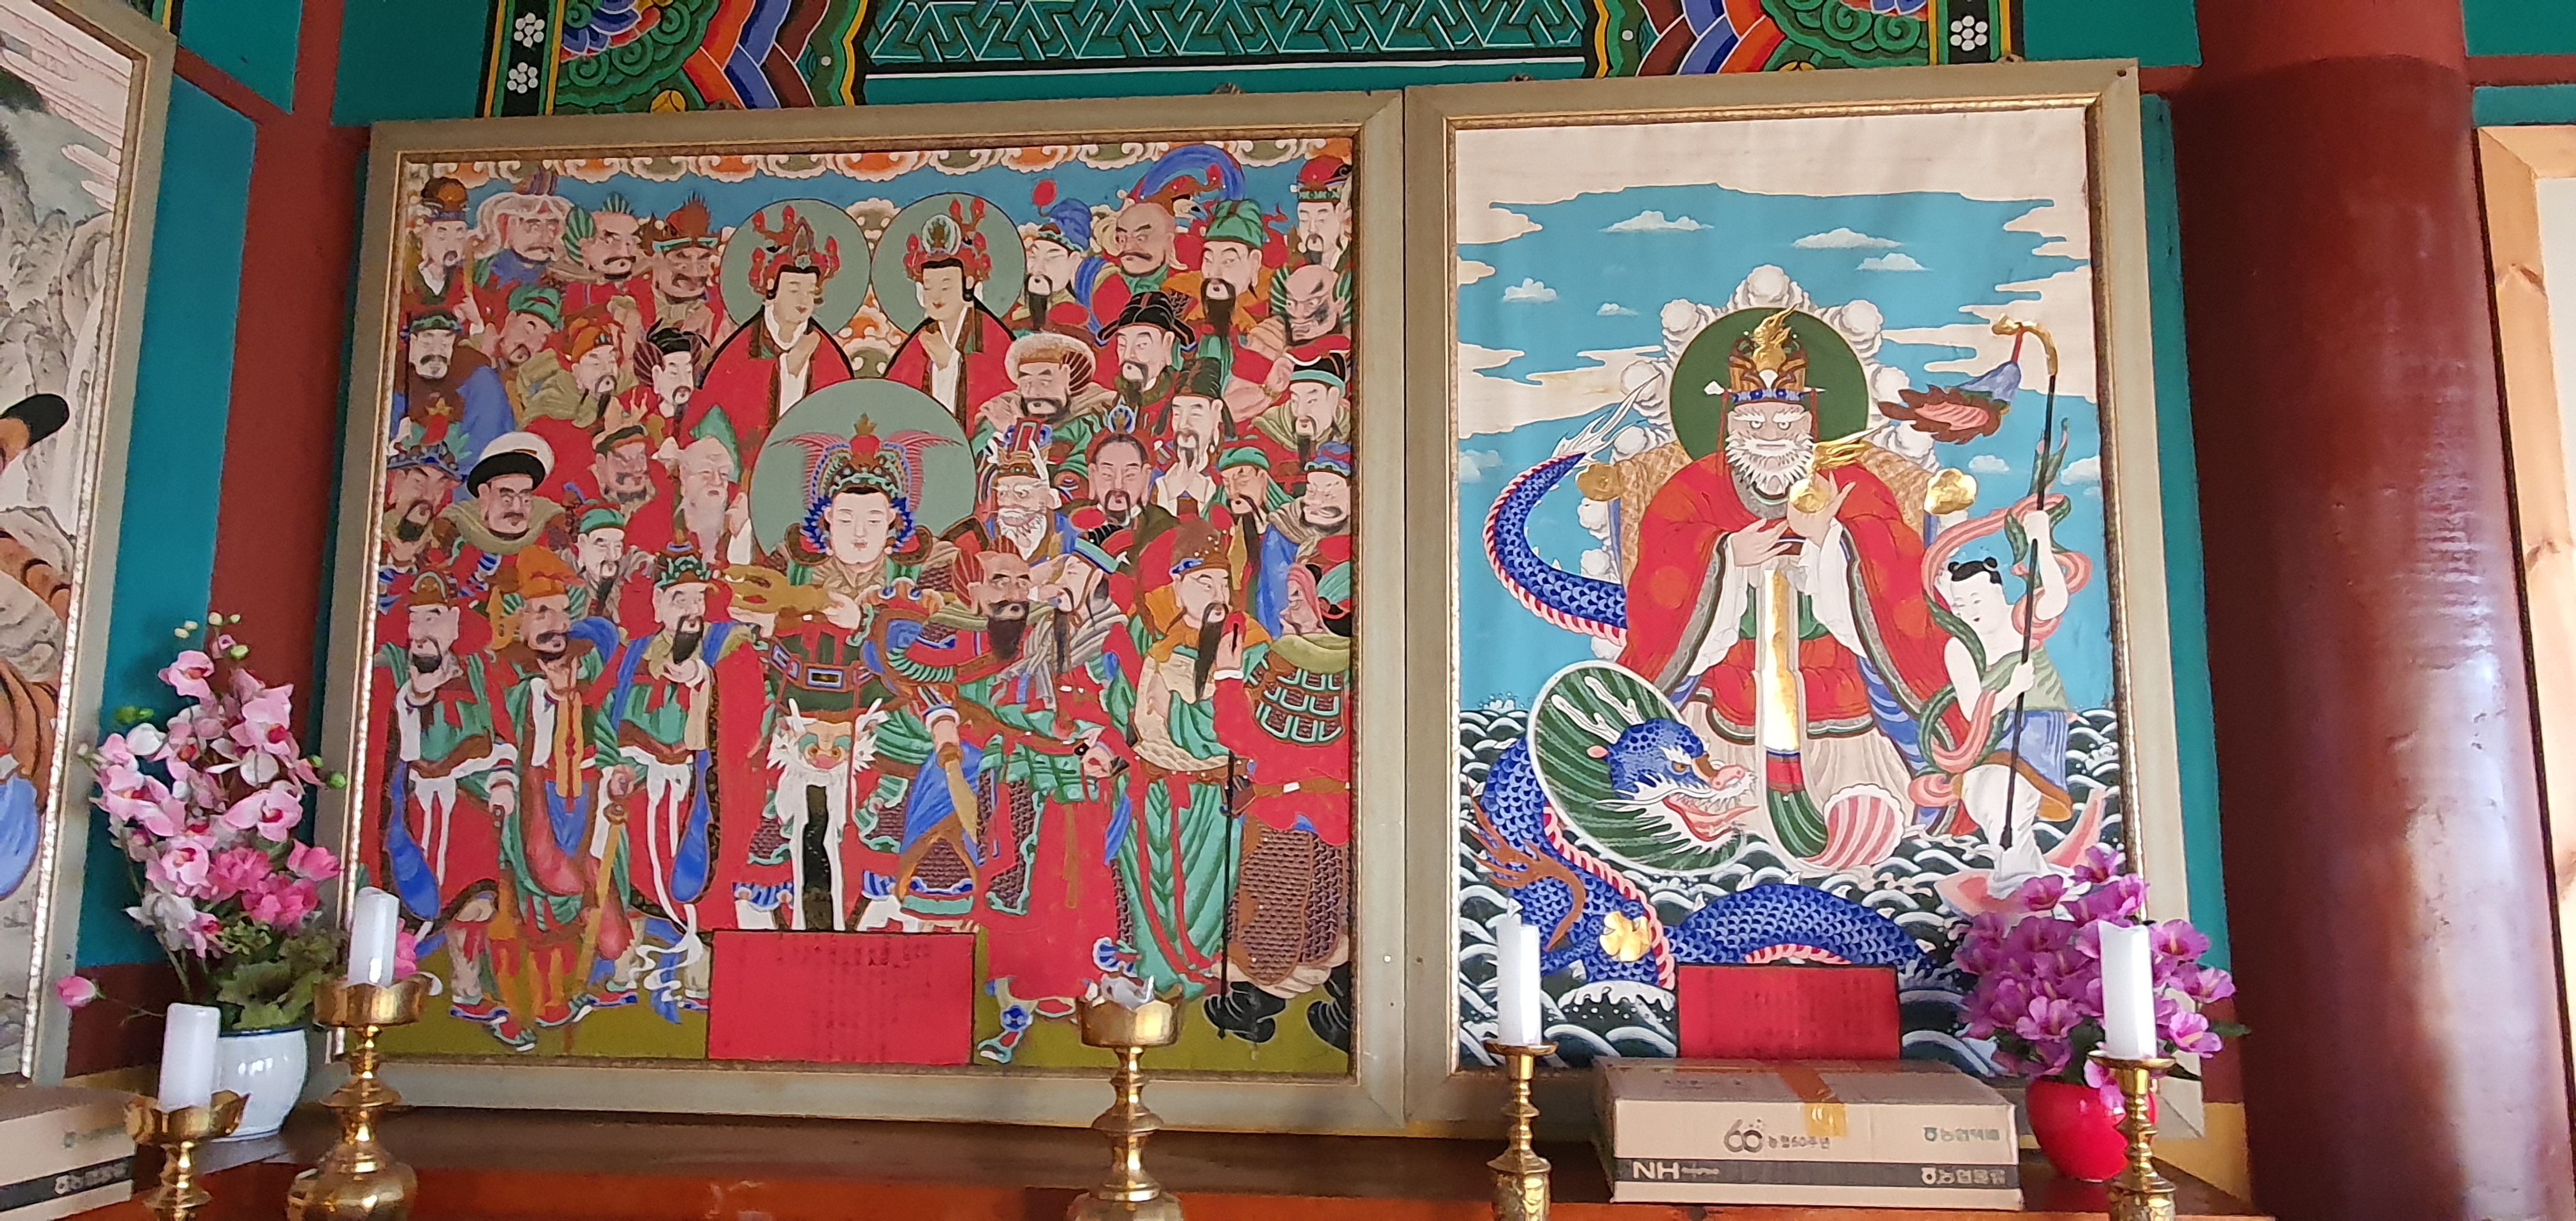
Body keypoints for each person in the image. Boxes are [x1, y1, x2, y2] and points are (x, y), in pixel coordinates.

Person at [1616, 310, 1955, 844]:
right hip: (1727, 683)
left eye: (1785, 422)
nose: (1770, 435)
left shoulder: (1849, 482)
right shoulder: (1696, 487)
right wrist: (1725, 554)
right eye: (1753, 423)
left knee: (1868, 799)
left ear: (1810, 423)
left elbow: (1895, 566)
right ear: (1730, 423)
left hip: (1839, 683)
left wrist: (1832, 539)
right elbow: (1661, 569)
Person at [692, 205, 854, 461]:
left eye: (810, 291)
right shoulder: (742, 348)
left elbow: (842, 414)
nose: (803, 300)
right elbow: (718, 405)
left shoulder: (825, 352)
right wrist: (784, 367)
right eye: (794, 289)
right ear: (771, 288)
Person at [884, 198, 1015, 427]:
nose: (936, 296)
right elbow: (895, 395)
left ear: (968, 283)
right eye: (928, 287)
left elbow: (1008, 387)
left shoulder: (989, 332)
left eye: (946, 287)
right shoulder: (923, 338)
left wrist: (953, 363)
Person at [391, 313, 510, 467]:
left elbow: (486, 440)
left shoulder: (477, 377)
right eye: (427, 342)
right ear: (412, 342)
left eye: (445, 343)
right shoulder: (394, 374)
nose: (437, 351)